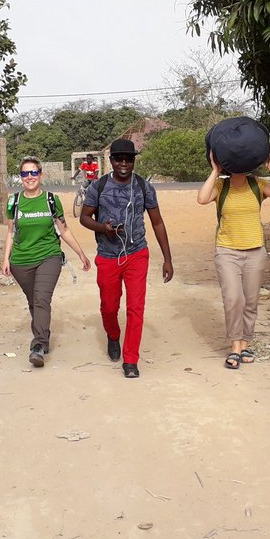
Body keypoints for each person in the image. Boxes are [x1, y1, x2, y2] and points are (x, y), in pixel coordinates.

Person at [79, 138, 174, 378]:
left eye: (128, 159)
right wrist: (104, 228)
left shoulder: (143, 187)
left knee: (136, 308)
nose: (123, 163)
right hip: (108, 256)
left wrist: (167, 259)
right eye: (119, 159)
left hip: (136, 254)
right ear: (111, 161)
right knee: (109, 307)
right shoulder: (98, 186)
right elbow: (84, 217)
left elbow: (158, 222)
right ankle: (113, 335)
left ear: (133, 161)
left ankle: (131, 360)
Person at [195, 149, 270, 369]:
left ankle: (245, 343)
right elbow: (201, 199)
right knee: (233, 299)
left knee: (250, 301)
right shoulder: (221, 186)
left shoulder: (258, 184)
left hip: (255, 251)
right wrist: (215, 171)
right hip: (227, 251)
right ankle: (234, 346)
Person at [2, 157, 92, 368]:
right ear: (21, 177)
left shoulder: (51, 200)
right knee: (34, 302)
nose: (30, 177)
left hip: (48, 256)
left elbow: (64, 230)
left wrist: (80, 254)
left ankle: (38, 346)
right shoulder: (13, 202)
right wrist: (5, 258)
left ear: (41, 175)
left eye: (34, 173)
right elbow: (10, 233)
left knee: (41, 299)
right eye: (25, 174)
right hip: (21, 260)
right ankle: (44, 334)